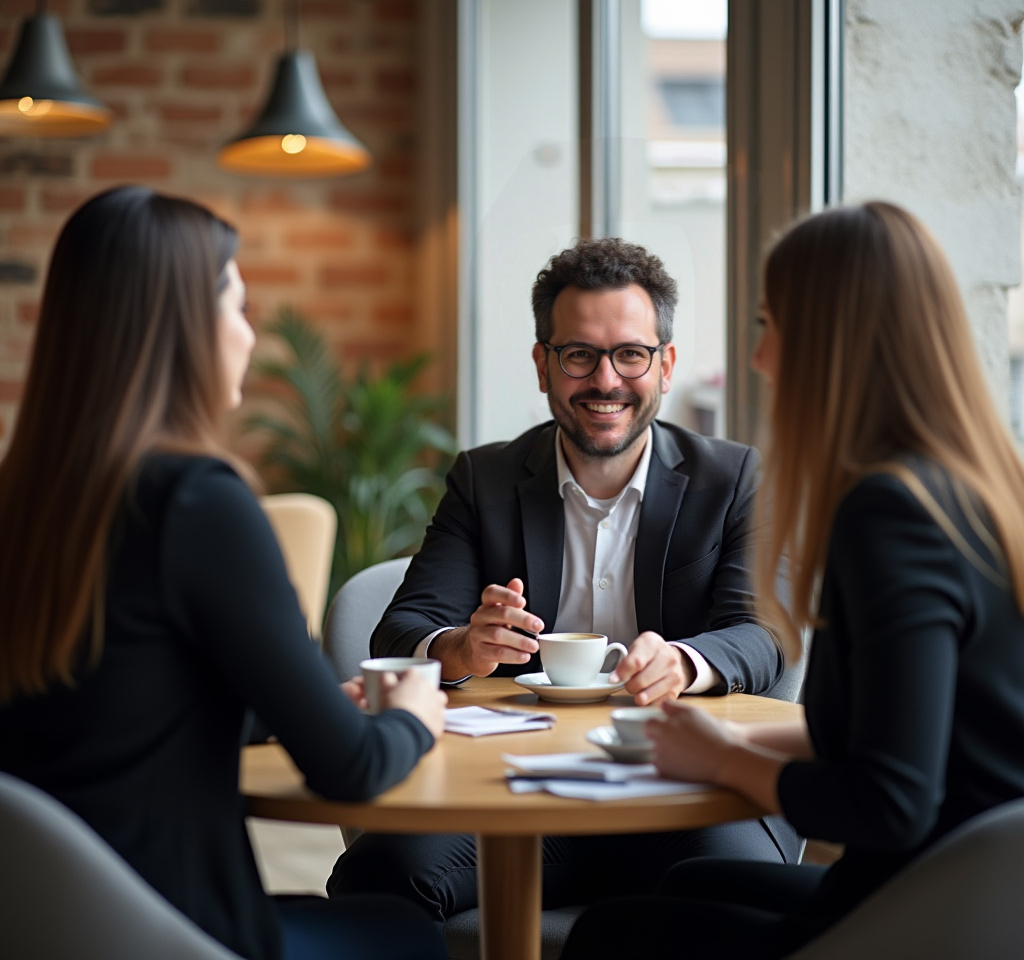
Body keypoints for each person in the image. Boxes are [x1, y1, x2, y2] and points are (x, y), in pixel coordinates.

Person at [559, 202, 1024, 959]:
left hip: (927, 910)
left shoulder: (890, 513)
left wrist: (723, 761)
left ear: (829, 342)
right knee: (683, 888)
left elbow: (889, 801)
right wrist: (716, 736)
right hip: (980, 891)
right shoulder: (977, 489)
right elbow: (905, 733)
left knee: (607, 936)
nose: (759, 358)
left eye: (771, 325)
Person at [0, 186, 449, 960]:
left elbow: (110, 707)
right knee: (406, 933)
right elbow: (353, 769)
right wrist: (414, 714)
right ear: (181, 327)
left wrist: (292, 704)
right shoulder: (197, 501)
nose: (249, 335)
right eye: (237, 307)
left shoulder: (26, 501)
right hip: (177, 926)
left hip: (43, 923)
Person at [328, 237, 801, 923]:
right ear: (542, 365)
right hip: (522, 795)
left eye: (630, 354)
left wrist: (684, 662)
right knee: (377, 876)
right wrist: (460, 648)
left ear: (666, 365)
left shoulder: (734, 480)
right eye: (579, 354)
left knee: (740, 899)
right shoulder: (483, 480)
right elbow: (403, 629)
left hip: (688, 787)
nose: (605, 380)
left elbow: (763, 634)